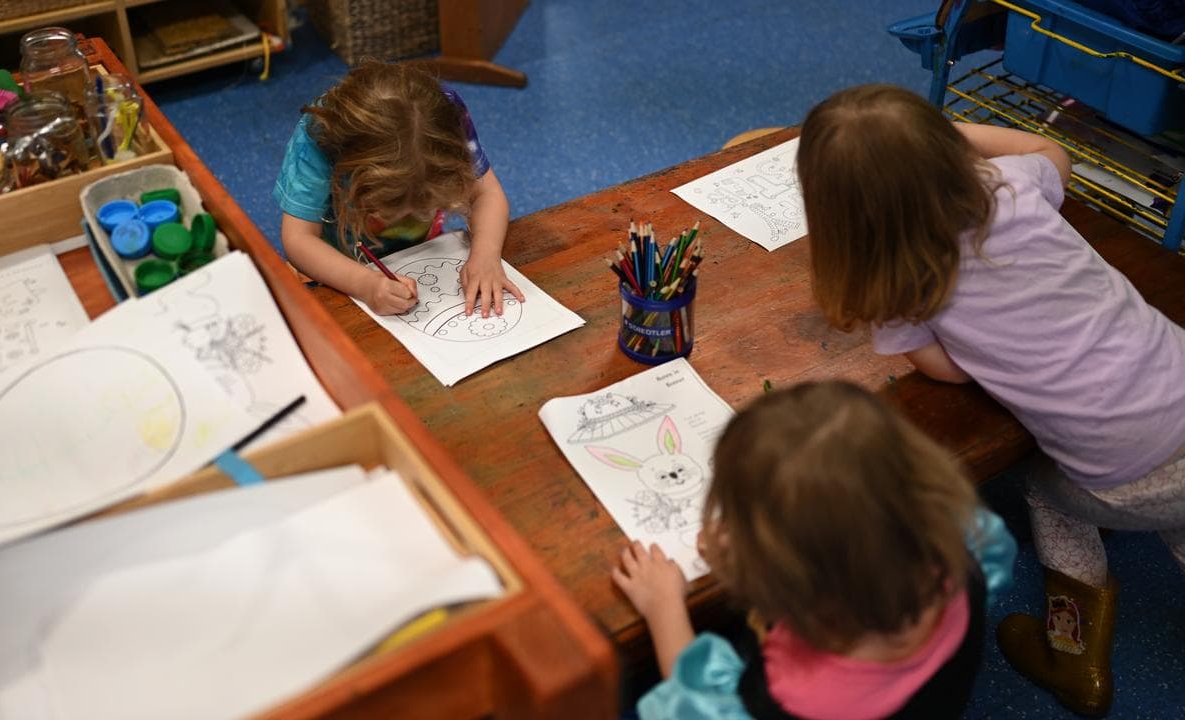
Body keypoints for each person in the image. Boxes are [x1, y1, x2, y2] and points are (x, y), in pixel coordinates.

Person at [797, 84, 1185, 716]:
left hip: (1122, 469)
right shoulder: (1010, 186)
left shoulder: (895, 280)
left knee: (1046, 489)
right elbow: (1053, 153)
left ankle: (1074, 654)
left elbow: (948, 372)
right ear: (947, 146)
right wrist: (948, 131)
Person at [613, 381, 1016, 720]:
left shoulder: (791, 697)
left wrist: (664, 606)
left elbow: (698, 709)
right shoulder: (964, 551)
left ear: (785, 572)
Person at [273, 60, 523, 317]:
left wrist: (485, 255)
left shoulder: (445, 117)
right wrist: (365, 284)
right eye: (388, 206)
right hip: (332, 265)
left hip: (419, 251)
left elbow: (487, 193)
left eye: (425, 204)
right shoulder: (320, 134)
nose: (407, 215)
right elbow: (298, 239)